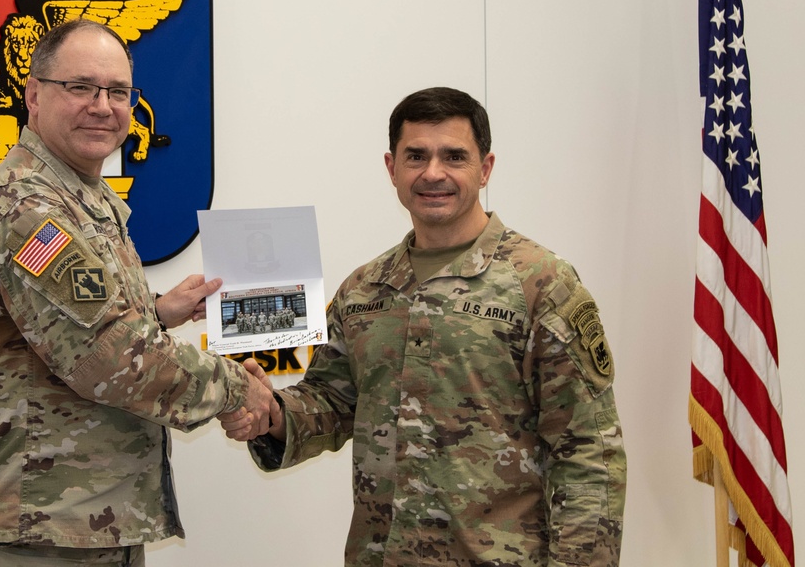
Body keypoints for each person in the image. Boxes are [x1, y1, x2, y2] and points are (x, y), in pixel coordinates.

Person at [222, 87, 626, 566]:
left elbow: (589, 454)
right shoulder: (364, 290)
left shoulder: (540, 283)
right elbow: (333, 403)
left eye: (454, 156)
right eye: (416, 156)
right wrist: (272, 413)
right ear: (392, 168)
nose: (433, 173)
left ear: (486, 168)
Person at [0, 19, 275, 567]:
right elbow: (112, 357)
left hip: (81, 521)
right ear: (34, 95)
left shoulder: (80, 196)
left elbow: (68, 330)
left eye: (118, 91)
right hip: (31, 532)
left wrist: (156, 313)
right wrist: (239, 389)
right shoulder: (25, 208)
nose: (103, 105)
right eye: (81, 87)